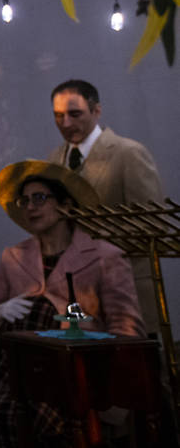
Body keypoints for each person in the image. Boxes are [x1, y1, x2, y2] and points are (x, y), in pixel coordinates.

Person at [0, 161, 144, 446]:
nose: (30, 207)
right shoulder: (12, 257)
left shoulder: (105, 255)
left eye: (40, 198)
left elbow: (127, 328)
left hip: (75, 370)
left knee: (40, 420)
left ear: (66, 207)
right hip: (18, 370)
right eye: (24, 200)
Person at [48, 78, 164, 335]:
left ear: (96, 110)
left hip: (127, 286)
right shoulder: (54, 161)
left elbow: (153, 224)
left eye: (75, 114)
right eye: (58, 116)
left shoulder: (128, 154)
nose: (66, 124)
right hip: (77, 294)